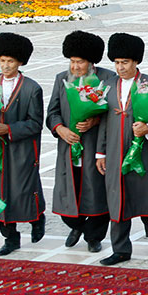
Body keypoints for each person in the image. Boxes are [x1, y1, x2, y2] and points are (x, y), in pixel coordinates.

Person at [94, 33, 148, 266]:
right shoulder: (107, 85)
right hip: (115, 152)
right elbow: (104, 120)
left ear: (136, 61)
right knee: (116, 197)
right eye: (117, 63)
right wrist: (100, 153)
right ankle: (121, 249)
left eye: (125, 62)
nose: (120, 67)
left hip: (143, 151)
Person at [47, 30, 112, 254]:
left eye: (80, 62)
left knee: (97, 193)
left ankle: (94, 237)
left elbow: (113, 113)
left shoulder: (107, 79)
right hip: (68, 147)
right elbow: (52, 112)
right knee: (67, 193)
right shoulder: (61, 79)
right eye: (72, 61)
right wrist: (60, 129)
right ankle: (76, 225)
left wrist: (94, 120)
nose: (75, 67)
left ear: (91, 62)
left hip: (95, 147)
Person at [0, 33, 45, 256]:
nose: (5, 66)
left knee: (24, 188)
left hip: (22, 149)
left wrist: (8, 129)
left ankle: (37, 218)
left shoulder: (31, 88)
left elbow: (35, 123)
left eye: (10, 61)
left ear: (20, 62)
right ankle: (10, 237)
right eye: (2, 61)